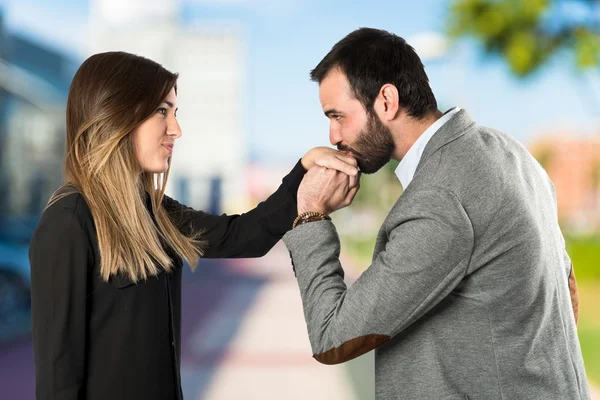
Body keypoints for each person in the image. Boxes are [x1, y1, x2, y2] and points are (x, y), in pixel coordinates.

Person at [28, 51, 358, 400]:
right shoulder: (69, 222)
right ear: (116, 114)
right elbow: (57, 381)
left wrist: (305, 169)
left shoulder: (155, 212)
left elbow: (242, 236)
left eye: (175, 112)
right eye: (161, 111)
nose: (176, 129)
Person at [283, 27, 590, 399]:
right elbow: (566, 289)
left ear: (386, 100)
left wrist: (311, 215)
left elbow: (334, 336)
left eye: (338, 116)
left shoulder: (440, 195)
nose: (332, 135)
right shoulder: (511, 153)